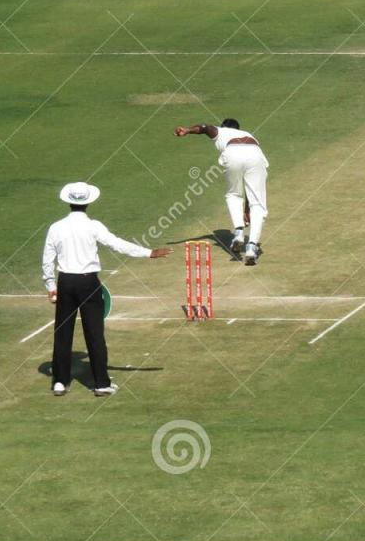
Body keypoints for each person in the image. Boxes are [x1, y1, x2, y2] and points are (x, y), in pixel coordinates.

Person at [42, 182, 171, 396]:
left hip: (66, 282)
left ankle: (59, 382)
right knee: (94, 332)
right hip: (88, 283)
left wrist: (50, 285)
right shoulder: (93, 226)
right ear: (88, 203)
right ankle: (101, 383)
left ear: (69, 203)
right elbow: (117, 244)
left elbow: (47, 259)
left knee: (62, 332)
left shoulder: (56, 227)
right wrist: (148, 253)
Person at [174, 119, 269, 265]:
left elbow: (206, 127)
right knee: (258, 203)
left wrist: (188, 130)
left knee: (233, 194)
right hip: (255, 155)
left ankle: (238, 233)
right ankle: (251, 247)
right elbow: (251, 191)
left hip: (233, 154)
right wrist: (247, 209)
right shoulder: (248, 134)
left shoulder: (223, 131)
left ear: (223, 127)